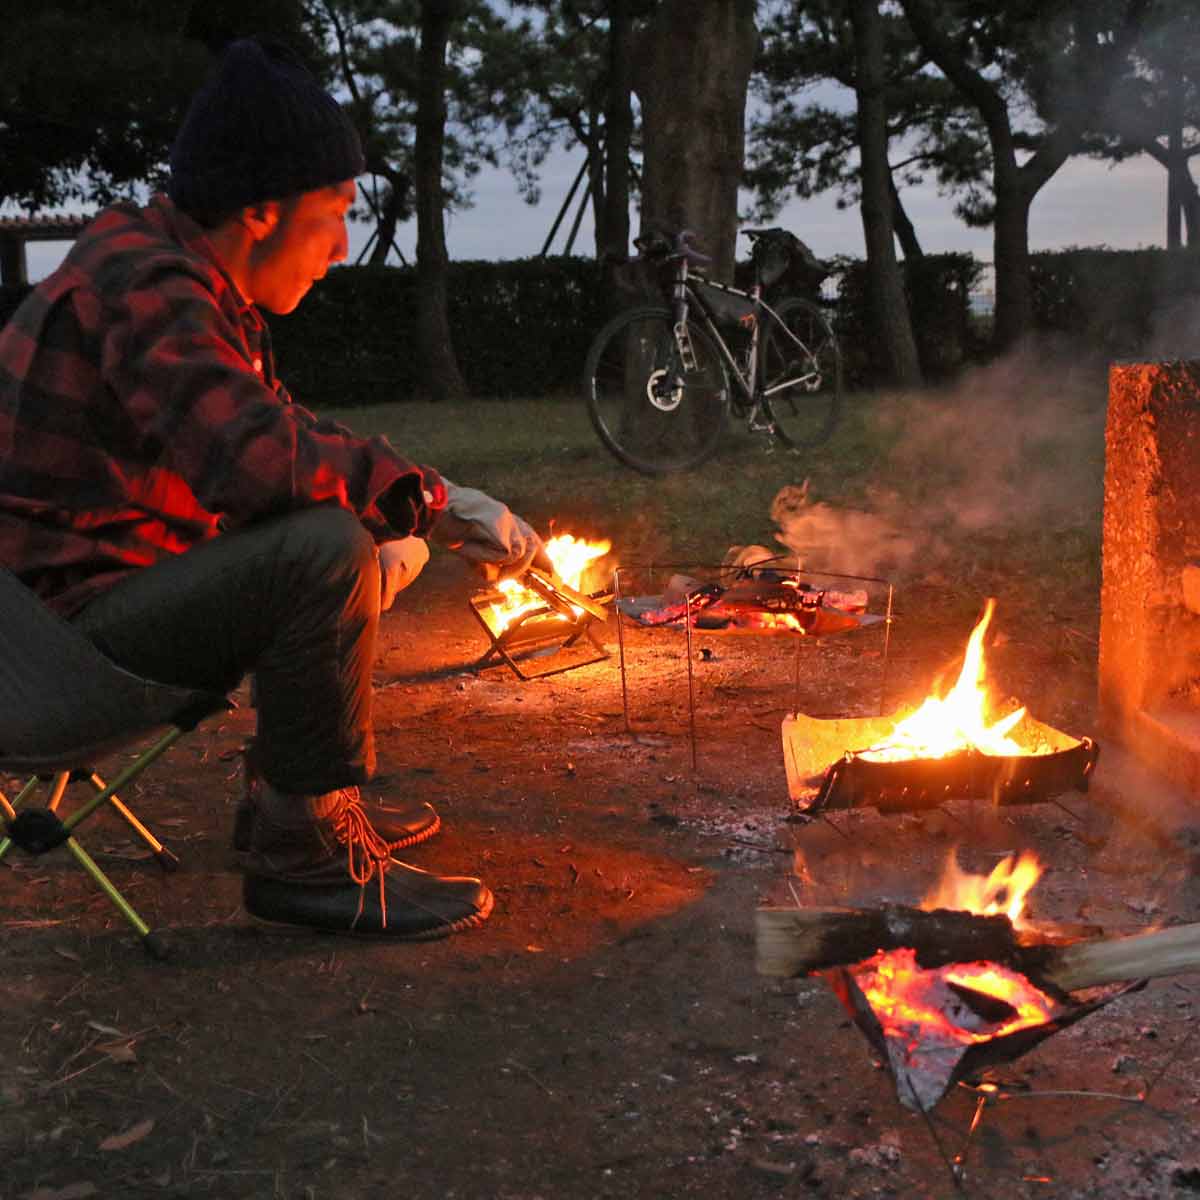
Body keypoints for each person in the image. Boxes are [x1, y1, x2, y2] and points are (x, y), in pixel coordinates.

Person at [0, 37, 546, 940]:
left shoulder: (172, 277)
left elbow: (277, 429)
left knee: (341, 537)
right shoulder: (150, 288)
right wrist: (429, 505)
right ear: (260, 210)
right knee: (322, 549)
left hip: (56, 625)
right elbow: (259, 466)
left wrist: (426, 497)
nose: (339, 247)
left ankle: (292, 804)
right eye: (333, 212)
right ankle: (306, 854)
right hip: (45, 663)